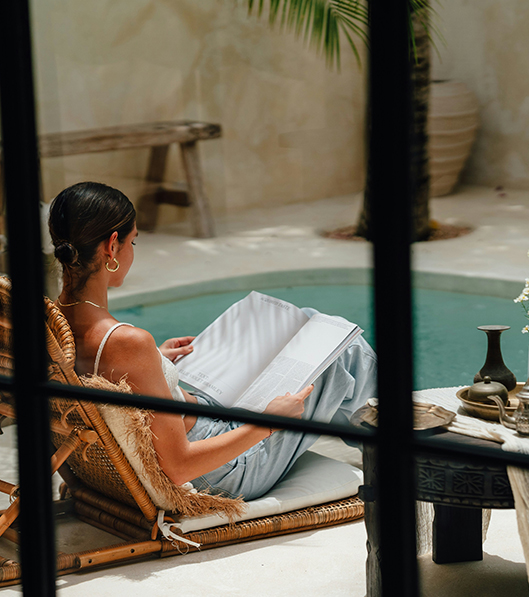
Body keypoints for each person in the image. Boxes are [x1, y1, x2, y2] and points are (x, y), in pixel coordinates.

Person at [48, 181, 377, 501]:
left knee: (305, 321)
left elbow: (100, 369)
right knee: (344, 350)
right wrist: (269, 422)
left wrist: (156, 361)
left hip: (205, 415)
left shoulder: (50, 326)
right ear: (112, 246)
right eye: (133, 242)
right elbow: (179, 467)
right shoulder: (127, 343)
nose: (133, 252)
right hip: (222, 470)